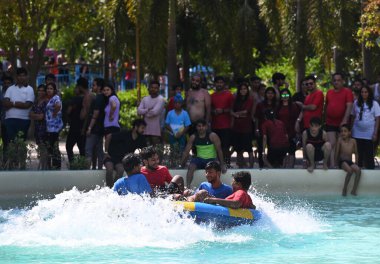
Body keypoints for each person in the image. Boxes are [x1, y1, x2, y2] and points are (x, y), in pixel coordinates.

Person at [180, 119, 226, 187]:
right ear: (196, 127)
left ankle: (215, 187)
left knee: (214, 170)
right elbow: (186, 152)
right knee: (191, 167)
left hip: (211, 159)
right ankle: (188, 187)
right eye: (199, 126)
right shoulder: (193, 137)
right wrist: (181, 164)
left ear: (206, 127)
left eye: (203, 126)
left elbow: (219, 150)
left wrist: (222, 164)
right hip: (199, 159)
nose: (201, 128)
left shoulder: (212, 135)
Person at [104, 119, 147, 187]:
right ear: (136, 127)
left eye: (144, 128)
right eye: (142, 128)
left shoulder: (141, 138)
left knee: (121, 170)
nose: (143, 130)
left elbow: (144, 150)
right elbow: (109, 136)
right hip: (110, 156)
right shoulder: (124, 134)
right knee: (109, 169)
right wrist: (106, 152)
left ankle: (114, 188)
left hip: (121, 160)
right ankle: (108, 188)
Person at [325, 73, 354, 167]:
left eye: (338, 80)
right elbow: (327, 106)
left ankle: (339, 165)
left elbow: (349, 106)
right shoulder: (329, 92)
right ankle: (332, 166)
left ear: (342, 81)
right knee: (331, 143)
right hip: (330, 122)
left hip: (342, 122)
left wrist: (345, 120)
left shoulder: (347, 91)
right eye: (335, 80)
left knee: (340, 145)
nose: (336, 82)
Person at [2, 67, 35, 143]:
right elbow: (5, 103)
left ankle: (21, 155)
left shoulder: (30, 89)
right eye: (19, 75)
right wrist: (16, 103)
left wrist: (12, 103)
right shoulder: (10, 88)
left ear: (27, 77)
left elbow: (27, 105)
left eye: (23, 75)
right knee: (10, 143)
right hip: (9, 119)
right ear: (16, 77)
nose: (21, 77)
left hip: (24, 120)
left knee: (21, 142)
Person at [350, 86, 380, 169]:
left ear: (369, 93)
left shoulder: (374, 104)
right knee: (358, 153)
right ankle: (358, 171)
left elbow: (378, 119)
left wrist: (375, 133)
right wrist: (351, 129)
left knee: (369, 154)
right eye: (362, 92)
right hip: (357, 132)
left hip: (369, 132)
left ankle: (370, 171)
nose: (364, 94)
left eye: (366, 92)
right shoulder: (356, 103)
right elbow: (353, 116)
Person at [210, 76, 234, 166]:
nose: (219, 84)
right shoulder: (212, 96)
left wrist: (223, 111)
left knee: (225, 146)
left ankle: (227, 163)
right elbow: (209, 109)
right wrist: (214, 111)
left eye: (221, 82)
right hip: (215, 125)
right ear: (215, 84)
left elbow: (233, 109)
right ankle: (217, 164)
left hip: (226, 125)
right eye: (217, 82)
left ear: (224, 84)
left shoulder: (229, 95)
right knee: (215, 146)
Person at [231, 82, 255, 168]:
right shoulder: (235, 100)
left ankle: (251, 166)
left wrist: (236, 114)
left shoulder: (250, 99)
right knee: (238, 149)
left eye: (245, 89)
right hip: (236, 127)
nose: (243, 90)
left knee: (249, 148)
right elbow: (231, 111)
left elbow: (246, 111)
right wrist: (236, 114)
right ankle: (240, 166)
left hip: (247, 127)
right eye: (241, 89)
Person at [84, 77, 105, 169]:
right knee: (99, 150)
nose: (92, 86)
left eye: (94, 85)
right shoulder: (103, 98)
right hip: (101, 128)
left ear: (99, 87)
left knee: (88, 151)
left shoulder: (98, 99)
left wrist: (89, 128)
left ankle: (87, 173)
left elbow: (95, 115)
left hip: (94, 129)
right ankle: (99, 169)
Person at [277, 89, 301, 168]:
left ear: (289, 96)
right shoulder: (278, 106)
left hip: (292, 131)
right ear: (280, 97)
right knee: (282, 151)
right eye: (283, 95)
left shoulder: (294, 106)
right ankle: (282, 167)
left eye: (286, 95)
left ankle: (291, 168)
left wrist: (297, 128)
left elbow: (298, 117)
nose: (285, 97)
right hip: (280, 132)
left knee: (291, 151)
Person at [254, 87, 277, 168]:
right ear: (265, 94)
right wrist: (256, 128)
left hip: (273, 130)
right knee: (261, 148)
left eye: (272, 93)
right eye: (268, 93)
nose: (270, 95)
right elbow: (256, 117)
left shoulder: (276, 105)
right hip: (261, 128)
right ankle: (261, 165)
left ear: (274, 94)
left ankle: (271, 165)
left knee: (272, 147)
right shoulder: (260, 104)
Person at [335, 125, 361, 196]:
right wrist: (335, 164)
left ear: (349, 132)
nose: (343, 133)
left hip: (350, 161)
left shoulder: (353, 141)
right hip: (342, 161)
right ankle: (344, 188)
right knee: (349, 170)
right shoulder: (340, 140)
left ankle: (354, 190)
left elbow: (356, 153)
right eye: (342, 131)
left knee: (358, 170)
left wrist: (356, 163)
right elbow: (336, 152)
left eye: (345, 131)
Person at [137, 80, 166, 145]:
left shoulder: (161, 99)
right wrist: (147, 109)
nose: (153, 89)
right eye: (152, 87)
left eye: (156, 88)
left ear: (158, 89)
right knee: (146, 149)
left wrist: (144, 111)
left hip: (157, 130)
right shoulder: (145, 99)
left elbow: (154, 112)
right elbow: (138, 111)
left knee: (156, 150)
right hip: (145, 129)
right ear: (149, 88)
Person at [30, 84, 48, 169]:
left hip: (44, 128)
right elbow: (30, 114)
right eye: (39, 90)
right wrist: (37, 116)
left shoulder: (46, 102)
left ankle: (44, 167)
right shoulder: (36, 101)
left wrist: (35, 116)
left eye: (42, 90)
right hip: (37, 127)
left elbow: (42, 116)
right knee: (40, 148)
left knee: (44, 148)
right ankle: (41, 166)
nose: (40, 92)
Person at [65, 83, 85, 164]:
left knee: (69, 146)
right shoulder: (85, 98)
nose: (74, 90)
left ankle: (72, 163)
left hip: (74, 126)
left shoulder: (74, 99)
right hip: (82, 126)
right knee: (81, 147)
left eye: (76, 88)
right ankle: (82, 164)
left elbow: (69, 111)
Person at [45, 82, 63, 169]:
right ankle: (53, 165)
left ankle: (56, 165)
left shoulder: (56, 97)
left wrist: (54, 113)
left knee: (52, 146)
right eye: (48, 88)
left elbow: (58, 105)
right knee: (51, 146)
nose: (49, 90)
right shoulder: (50, 98)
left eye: (51, 88)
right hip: (50, 127)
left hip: (54, 127)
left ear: (54, 90)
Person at [103, 82, 121, 154]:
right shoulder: (114, 98)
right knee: (114, 148)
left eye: (108, 90)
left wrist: (110, 115)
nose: (106, 92)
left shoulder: (111, 98)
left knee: (109, 149)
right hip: (113, 126)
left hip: (110, 126)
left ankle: (107, 154)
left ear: (112, 90)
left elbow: (114, 106)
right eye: (104, 90)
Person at [0, 74, 13, 154]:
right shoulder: (1, 93)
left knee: (13, 142)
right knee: (5, 142)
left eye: (8, 83)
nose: (7, 84)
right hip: (4, 120)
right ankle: (5, 162)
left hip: (14, 120)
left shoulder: (15, 92)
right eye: (5, 83)